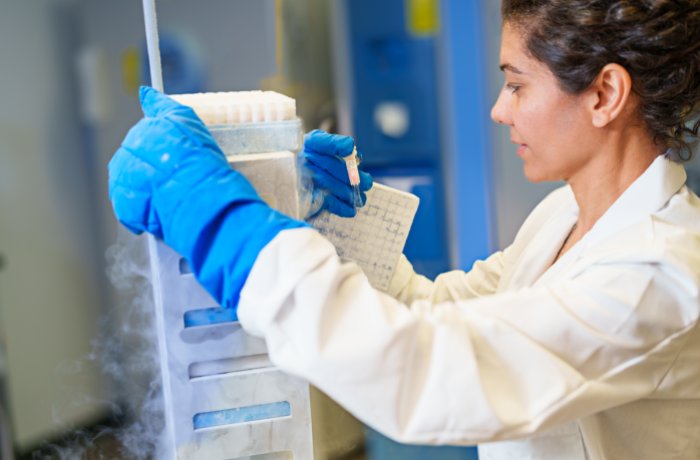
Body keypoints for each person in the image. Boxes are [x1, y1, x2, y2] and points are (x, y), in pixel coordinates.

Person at [108, 0, 700, 458]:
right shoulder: (566, 216)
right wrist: (338, 223)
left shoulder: (656, 274)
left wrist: (232, 233)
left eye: (517, 85)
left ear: (605, 94)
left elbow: (430, 368)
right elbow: (439, 311)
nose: (500, 109)